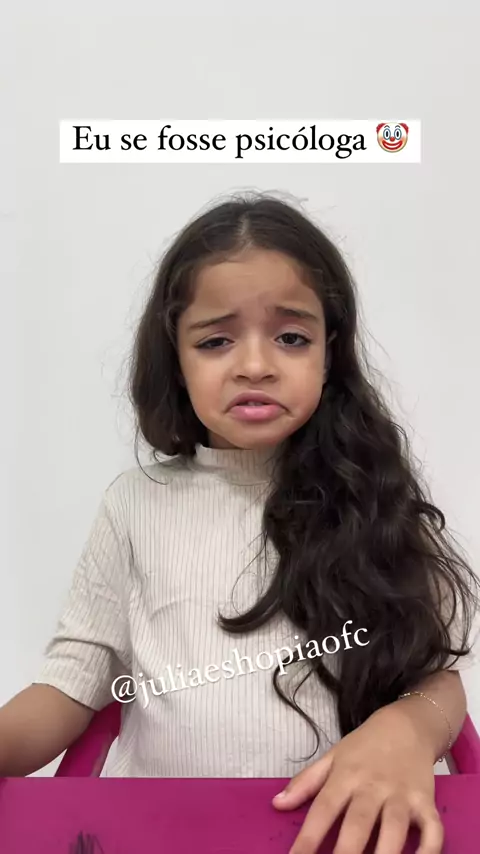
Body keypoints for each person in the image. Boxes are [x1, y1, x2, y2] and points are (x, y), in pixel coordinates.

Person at [1, 192, 478, 854]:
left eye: (291, 337)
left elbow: (438, 679)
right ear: (176, 358)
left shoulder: (376, 500)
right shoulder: (135, 502)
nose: (255, 365)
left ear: (330, 354)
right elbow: (73, 681)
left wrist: (409, 728)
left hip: (337, 837)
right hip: (161, 838)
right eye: (216, 340)